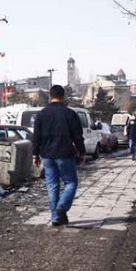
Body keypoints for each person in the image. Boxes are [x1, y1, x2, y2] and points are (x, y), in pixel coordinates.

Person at [32, 85, 86, 227]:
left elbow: (36, 136)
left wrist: (35, 155)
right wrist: (82, 152)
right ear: (63, 97)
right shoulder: (70, 114)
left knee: (52, 186)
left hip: (47, 155)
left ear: (50, 96)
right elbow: (78, 136)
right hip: (65, 154)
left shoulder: (42, 114)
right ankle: (61, 208)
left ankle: (56, 218)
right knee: (71, 183)